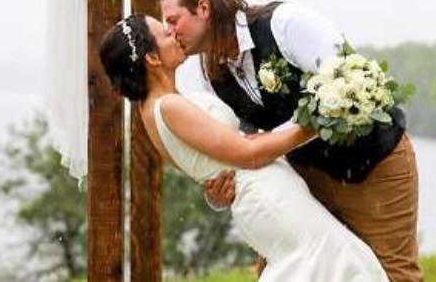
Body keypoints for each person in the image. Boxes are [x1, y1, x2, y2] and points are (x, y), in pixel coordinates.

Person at [100, 14, 387, 281]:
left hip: (261, 197)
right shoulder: (169, 106)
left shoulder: (153, 110)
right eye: (165, 33)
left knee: (330, 261)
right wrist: (320, 122)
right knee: (326, 261)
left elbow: (228, 153)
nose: (174, 33)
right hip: (267, 197)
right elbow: (247, 156)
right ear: (151, 57)